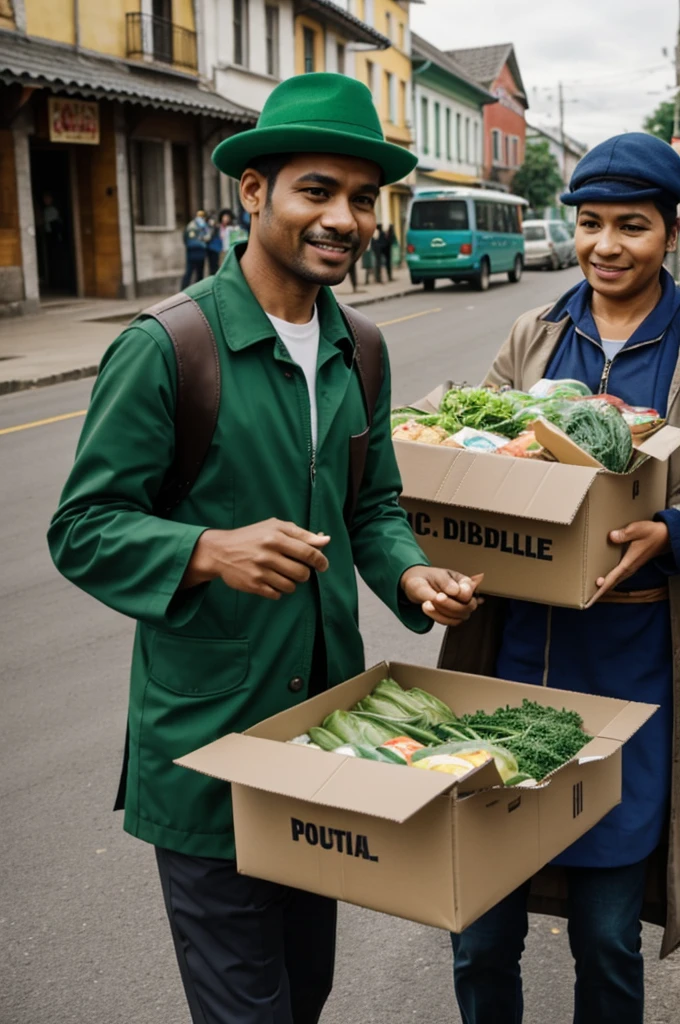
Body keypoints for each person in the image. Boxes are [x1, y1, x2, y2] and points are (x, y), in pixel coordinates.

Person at [47, 73, 480, 1024]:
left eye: (363, 200)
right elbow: (82, 528)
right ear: (255, 194)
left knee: (306, 991)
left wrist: (412, 572)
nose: (345, 219)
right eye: (316, 191)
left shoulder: (361, 346)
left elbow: (372, 505)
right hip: (210, 749)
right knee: (249, 1012)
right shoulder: (170, 347)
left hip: (323, 744)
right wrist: (206, 551)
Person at [439, 132, 680, 1024]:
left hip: (633, 668)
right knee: (479, 929)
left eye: (633, 225)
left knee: (609, 936)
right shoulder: (533, 335)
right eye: (589, 224)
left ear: (672, 232)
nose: (607, 246)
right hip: (510, 659)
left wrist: (672, 530)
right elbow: (472, 462)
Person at [181, 209, 210, 288]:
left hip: (201, 253)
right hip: (193, 254)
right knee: (189, 273)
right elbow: (191, 242)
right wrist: (202, 243)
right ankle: (183, 290)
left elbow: (208, 236)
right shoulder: (192, 226)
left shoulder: (203, 226)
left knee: (200, 274)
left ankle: (198, 291)